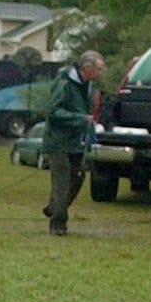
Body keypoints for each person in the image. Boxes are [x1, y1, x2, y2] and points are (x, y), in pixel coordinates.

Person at [40, 49, 105, 235]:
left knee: (78, 179)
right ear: (87, 68)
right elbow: (52, 112)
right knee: (62, 183)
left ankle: (54, 207)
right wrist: (80, 118)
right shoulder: (64, 84)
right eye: (99, 69)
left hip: (77, 142)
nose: (101, 73)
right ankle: (58, 224)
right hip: (58, 142)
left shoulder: (88, 86)